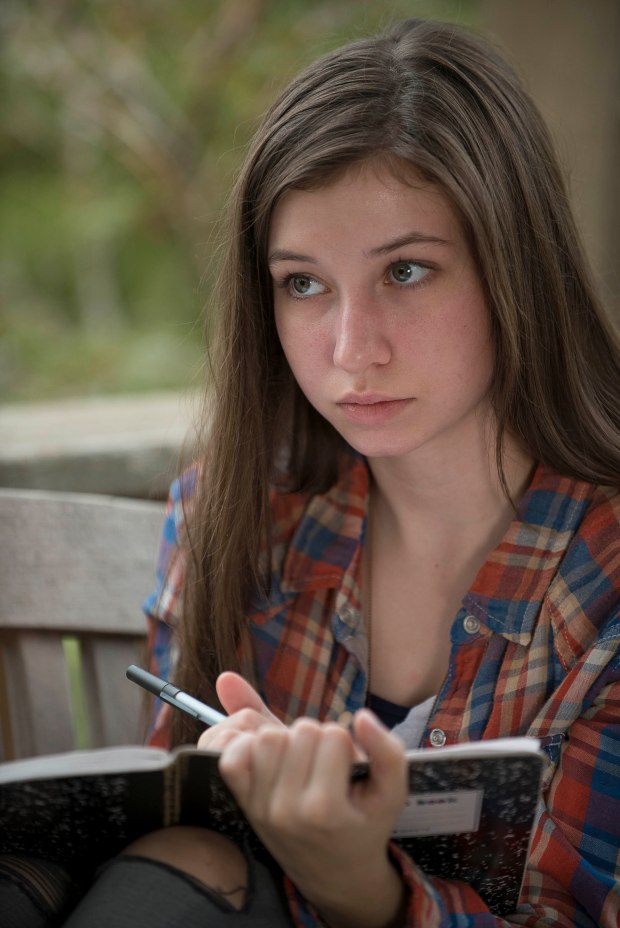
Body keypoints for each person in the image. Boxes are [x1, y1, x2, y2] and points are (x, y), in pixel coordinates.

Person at [3, 15, 619, 928]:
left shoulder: (602, 584)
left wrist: (355, 883)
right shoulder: (236, 510)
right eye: (303, 283)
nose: (349, 349)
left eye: (406, 271)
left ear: (514, 267)